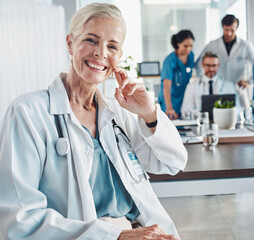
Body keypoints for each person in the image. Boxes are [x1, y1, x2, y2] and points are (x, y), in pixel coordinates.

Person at [0, 3, 187, 240]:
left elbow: (173, 162)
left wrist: (149, 113)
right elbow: (19, 220)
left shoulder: (118, 114)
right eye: (91, 40)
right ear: (70, 43)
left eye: (112, 46)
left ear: (118, 57)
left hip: (146, 232)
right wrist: (115, 236)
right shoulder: (28, 113)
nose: (101, 53)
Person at [195, 14, 254, 109]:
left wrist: (249, 81)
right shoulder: (212, 45)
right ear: (222, 27)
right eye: (226, 30)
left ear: (237, 28)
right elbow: (199, 63)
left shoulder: (245, 45)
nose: (229, 33)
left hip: (238, 88)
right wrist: (203, 80)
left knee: (239, 114)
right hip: (218, 87)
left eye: (232, 30)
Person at [181, 51, 236, 116]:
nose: (211, 69)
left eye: (214, 65)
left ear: (218, 65)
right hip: (200, 123)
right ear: (202, 65)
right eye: (208, 65)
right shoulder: (192, 86)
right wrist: (202, 114)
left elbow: (236, 110)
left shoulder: (229, 86)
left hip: (223, 123)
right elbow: (185, 111)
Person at [158, 30, 195, 119]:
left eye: (191, 46)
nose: (188, 49)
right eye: (185, 46)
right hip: (170, 99)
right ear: (178, 44)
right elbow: (166, 86)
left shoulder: (191, 56)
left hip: (184, 97)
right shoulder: (169, 60)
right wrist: (169, 108)